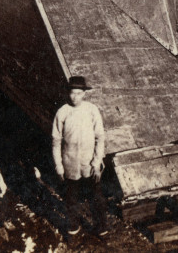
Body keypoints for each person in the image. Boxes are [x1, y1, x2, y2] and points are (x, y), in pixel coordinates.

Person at [52, 75, 108, 236]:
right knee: (71, 199)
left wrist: (97, 163)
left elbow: (100, 137)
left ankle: (101, 228)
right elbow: (56, 142)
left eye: (78, 93)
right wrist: (59, 166)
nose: (74, 97)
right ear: (68, 93)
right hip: (70, 164)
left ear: (84, 93)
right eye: (72, 93)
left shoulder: (91, 110)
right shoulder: (62, 112)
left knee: (96, 198)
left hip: (89, 164)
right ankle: (73, 228)